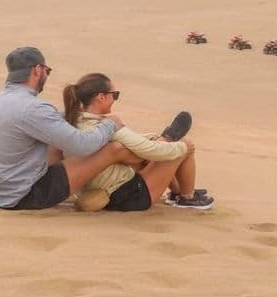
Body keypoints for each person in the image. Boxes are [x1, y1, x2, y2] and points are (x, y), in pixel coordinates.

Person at [0, 47, 139, 210]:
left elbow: (37, 120)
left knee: (56, 142)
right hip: (22, 195)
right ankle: (138, 180)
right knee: (113, 149)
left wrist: (74, 114)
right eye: (47, 71)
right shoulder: (34, 108)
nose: (46, 76)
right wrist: (110, 124)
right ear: (37, 70)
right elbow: (82, 145)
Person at [59, 73, 214, 211]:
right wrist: (184, 147)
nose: (115, 99)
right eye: (115, 95)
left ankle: (176, 192)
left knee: (147, 150)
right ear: (101, 97)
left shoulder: (72, 122)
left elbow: (134, 144)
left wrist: (152, 139)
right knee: (179, 147)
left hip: (102, 190)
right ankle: (187, 197)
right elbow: (152, 151)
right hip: (130, 194)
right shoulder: (107, 126)